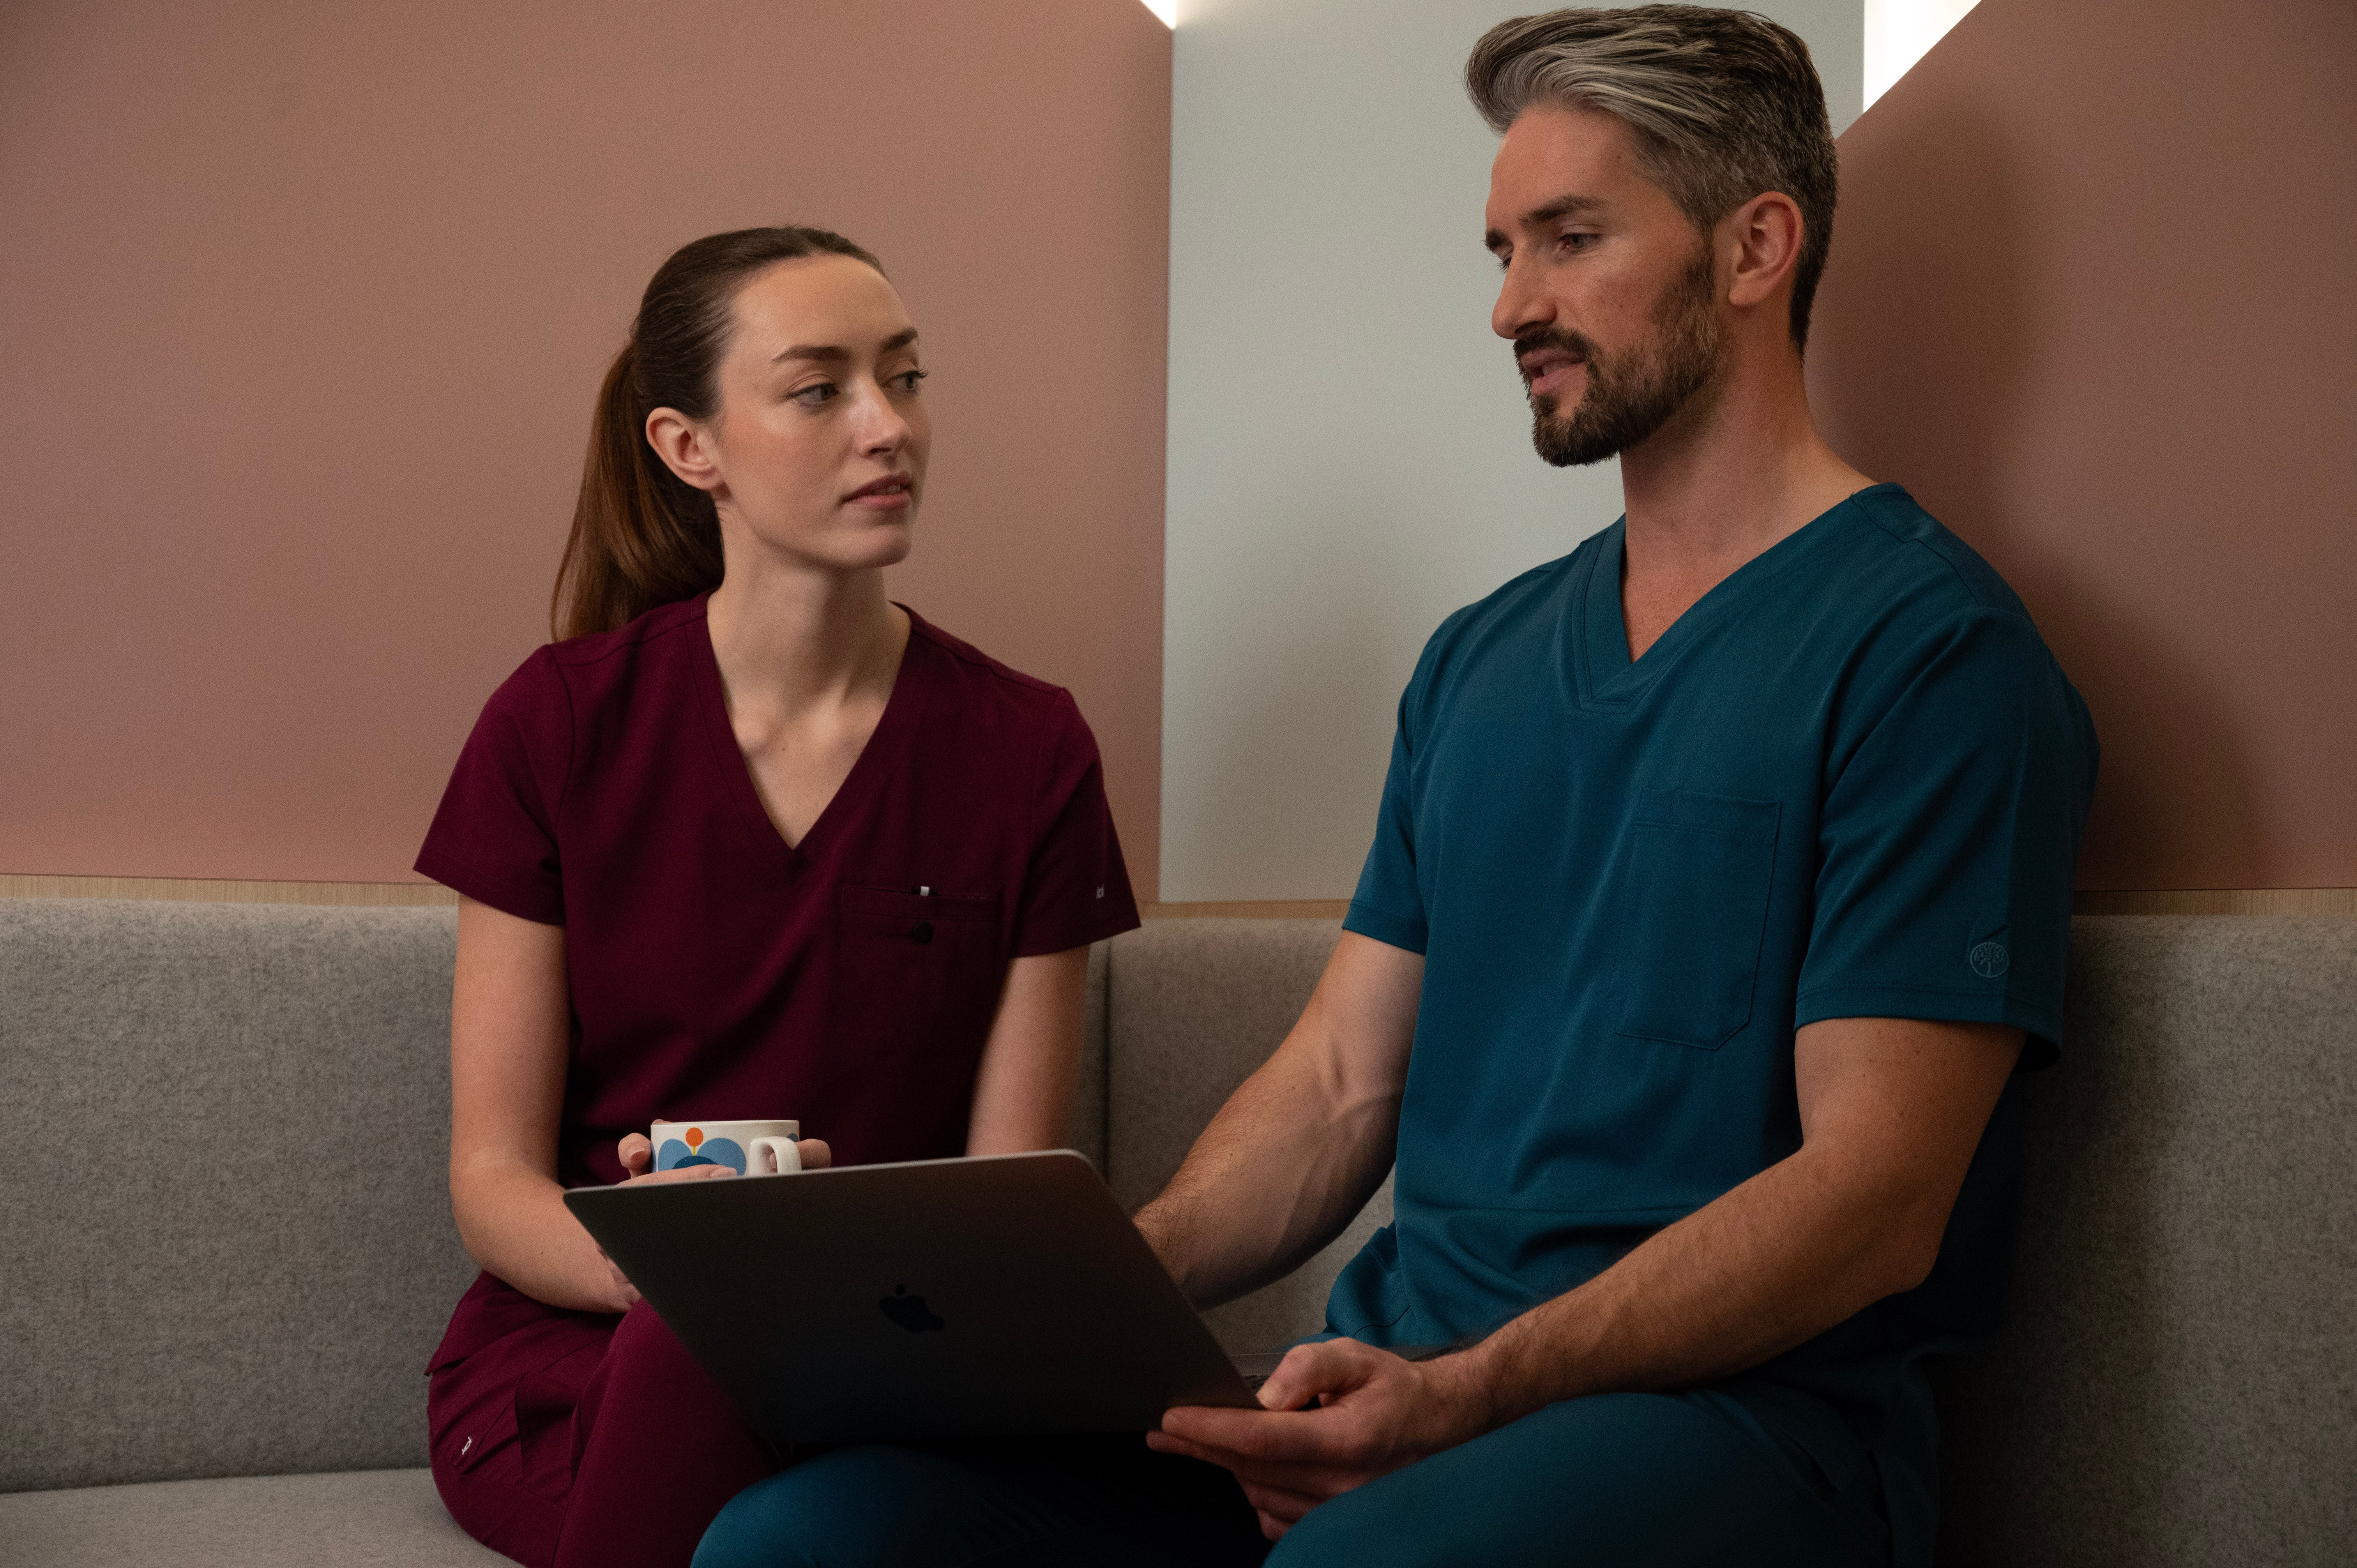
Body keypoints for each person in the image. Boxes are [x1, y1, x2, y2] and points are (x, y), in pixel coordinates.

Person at [695, 8, 2098, 1568]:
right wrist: (1080, 1307)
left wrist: (1465, 1396)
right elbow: (1337, 1090)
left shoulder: (1930, 659)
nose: (1512, 306)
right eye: (1503, 248)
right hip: (1388, 1409)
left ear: (1755, 248)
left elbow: (1875, 1199)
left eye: (1570, 239)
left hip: (1734, 1436)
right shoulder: (1478, 663)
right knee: (810, 1534)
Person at [413, 225, 1141, 1568]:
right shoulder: (554, 725)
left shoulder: (1030, 748)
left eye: (907, 379)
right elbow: (493, 1179)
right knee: (702, 1350)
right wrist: (680, 1266)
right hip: (590, 1357)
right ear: (691, 449)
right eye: (821, 390)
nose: (888, 427)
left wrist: (815, 1289)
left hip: (890, 1363)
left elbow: (1005, 1196)